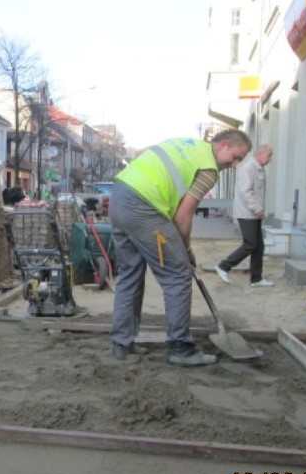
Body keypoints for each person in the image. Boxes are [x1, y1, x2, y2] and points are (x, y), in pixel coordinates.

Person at [109, 130, 252, 367]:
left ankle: (121, 345)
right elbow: (182, 217)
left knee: (129, 275)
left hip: (120, 196)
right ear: (224, 145)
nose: (236, 165)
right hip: (145, 205)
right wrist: (185, 251)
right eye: (236, 157)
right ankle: (180, 347)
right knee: (178, 275)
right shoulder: (208, 169)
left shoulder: (188, 146)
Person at [216, 145, 274, 287]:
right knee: (250, 244)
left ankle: (256, 278)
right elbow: (245, 191)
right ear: (260, 154)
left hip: (253, 214)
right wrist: (257, 208)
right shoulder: (248, 168)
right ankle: (224, 266)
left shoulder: (258, 168)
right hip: (247, 213)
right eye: (269, 156)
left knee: (259, 246)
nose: (270, 159)